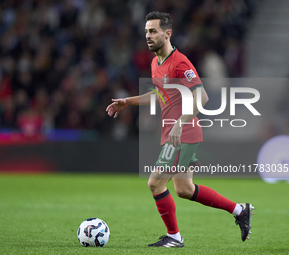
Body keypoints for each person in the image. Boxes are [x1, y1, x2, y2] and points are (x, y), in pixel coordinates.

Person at [106, 11, 254, 248]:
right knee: (184, 189)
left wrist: (179, 123)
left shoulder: (180, 62)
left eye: (153, 31)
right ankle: (239, 210)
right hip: (173, 132)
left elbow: (202, 96)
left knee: (155, 183)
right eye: (146, 31)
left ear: (168, 33)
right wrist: (128, 102)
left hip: (182, 133)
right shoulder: (156, 63)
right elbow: (159, 95)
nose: (148, 36)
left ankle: (174, 236)